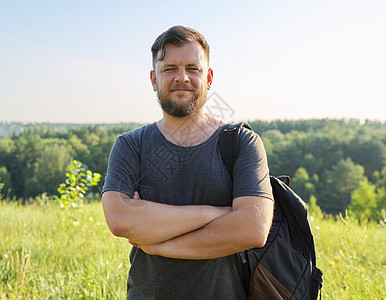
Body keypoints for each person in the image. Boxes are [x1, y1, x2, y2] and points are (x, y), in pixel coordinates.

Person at [102, 25, 274, 299]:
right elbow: (120, 219)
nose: (182, 77)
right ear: (153, 79)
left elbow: (253, 229)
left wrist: (158, 245)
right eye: (169, 68)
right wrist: (216, 213)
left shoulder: (242, 143)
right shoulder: (131, 145)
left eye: (193, 68)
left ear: (209, 78)